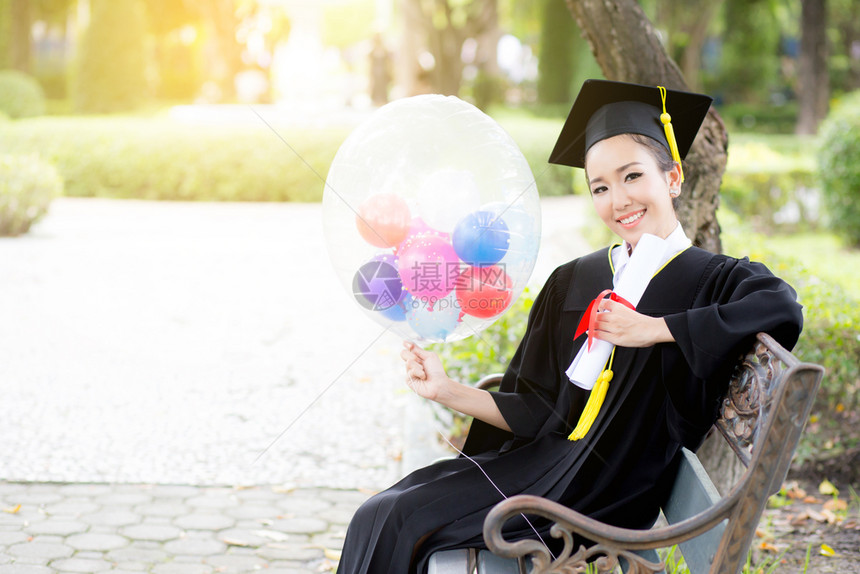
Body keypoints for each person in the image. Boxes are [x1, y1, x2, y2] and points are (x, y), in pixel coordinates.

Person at [335, 79, 804, 574]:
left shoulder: (713, 278)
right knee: (381, 512)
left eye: (632, 176)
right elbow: (539, 408)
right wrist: (446, 390)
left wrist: (654, 329)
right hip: (544, 468)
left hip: (604, 496)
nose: (618, 199)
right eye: (600, 187)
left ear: (673, 177)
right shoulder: (576, 278)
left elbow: (783, 307)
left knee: (403, 521)